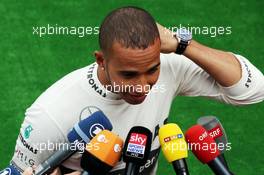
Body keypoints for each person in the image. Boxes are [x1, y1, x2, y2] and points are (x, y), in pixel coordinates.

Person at [2, 6, 264, 175]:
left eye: (152, 70)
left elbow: (253, 90)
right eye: (128, 75)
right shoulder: (52, 113)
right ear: (101, 61)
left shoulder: (170, 68)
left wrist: (184, 45)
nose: (142, 86)